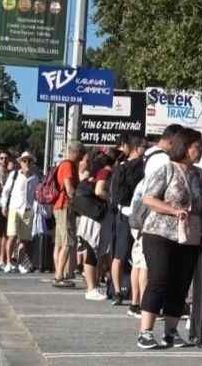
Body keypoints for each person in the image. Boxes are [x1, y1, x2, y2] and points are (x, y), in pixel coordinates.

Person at [136, 127, 202, 350]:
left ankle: (171, 332)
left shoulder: (198, 174)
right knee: (159, 278)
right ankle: (145, 332)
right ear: (184, 148)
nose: (201, 150)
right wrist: (173, 210)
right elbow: (148, 198)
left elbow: (201, 203)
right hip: (160, 232)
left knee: (181, 282)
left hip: (188, 236)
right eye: (197, 146)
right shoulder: (166, 169)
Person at [128, 124, 181, 317]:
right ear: (172, 140)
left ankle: (137, 303)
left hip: (139, 214)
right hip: (151, 217)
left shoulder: (150, 155)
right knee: (146, 266)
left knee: (139, 262)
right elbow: (155, 193)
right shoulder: (163, 160)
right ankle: (146, 306)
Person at [110, 135, 147, 305]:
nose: (145, 150)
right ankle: (117, 291)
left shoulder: (144, 166)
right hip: (126, 214)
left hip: (137, 214)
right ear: (136, 148)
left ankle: (132, 296)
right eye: (143, 147)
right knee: (121, 254)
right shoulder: (123, 167)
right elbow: (116, 195)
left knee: (136, 256)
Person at [76, 152, 116, 301]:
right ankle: (91, 288)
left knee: (92, 251)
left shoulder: (93, 173)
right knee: (92, 252)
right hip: (96, 217)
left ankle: (92, 286)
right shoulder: (105, 172)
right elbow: (99, 190)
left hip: (89, 215)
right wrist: (111, 197)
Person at [53, 141, 85, 287]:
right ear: (75, 152)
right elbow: (69, 188)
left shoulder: (65, 164)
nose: (82, 157)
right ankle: (60, 275)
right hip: (65, 206)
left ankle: (59, 274)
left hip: (60, 206)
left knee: (61, 242)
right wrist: (80, 203)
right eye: (81, 154)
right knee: (68, 242)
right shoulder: (68, 166)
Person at [2, 152, 39, 274]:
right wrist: (4, 206)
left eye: (29, 161)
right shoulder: (14, 175)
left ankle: (19, 263)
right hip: (14, 208)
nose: (27, 163)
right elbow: (6, 191)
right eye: (24, 160)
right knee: (12, 236)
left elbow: (36, 195)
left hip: (28, 210)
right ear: (20, 162)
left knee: (24, 239)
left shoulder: (35, 178)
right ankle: (8, 262)